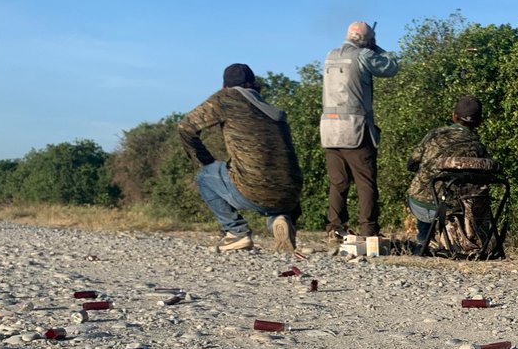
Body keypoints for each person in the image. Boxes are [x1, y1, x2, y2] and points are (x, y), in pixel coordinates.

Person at [179, 63, 303, 252]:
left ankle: (236, 232)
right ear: (253, 84)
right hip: (291, 194)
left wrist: (205, 161)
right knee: (276, 185)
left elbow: (186, 127)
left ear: (224, 86)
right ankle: (281, 220)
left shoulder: (226, 98)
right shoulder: (271, 110)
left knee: (205, 176)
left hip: (253, 188)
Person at [319, 21, 400, 241]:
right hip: (355, 130)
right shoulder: (364, 55)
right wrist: (377, 47)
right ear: (366, 39)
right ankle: (369, 231)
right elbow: (391, 66)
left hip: (329, 131)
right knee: (366, 183)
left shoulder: (330, 55)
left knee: (338, 183)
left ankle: (335, 229)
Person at [406, 94, 488, 249]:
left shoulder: (434, 135)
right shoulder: (478, 148)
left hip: (421, 206)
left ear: (454, 116)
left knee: (425, 191)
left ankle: (423, 240)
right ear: (480, 122)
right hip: (454, 209)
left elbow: (411, 163)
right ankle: (455, 241)